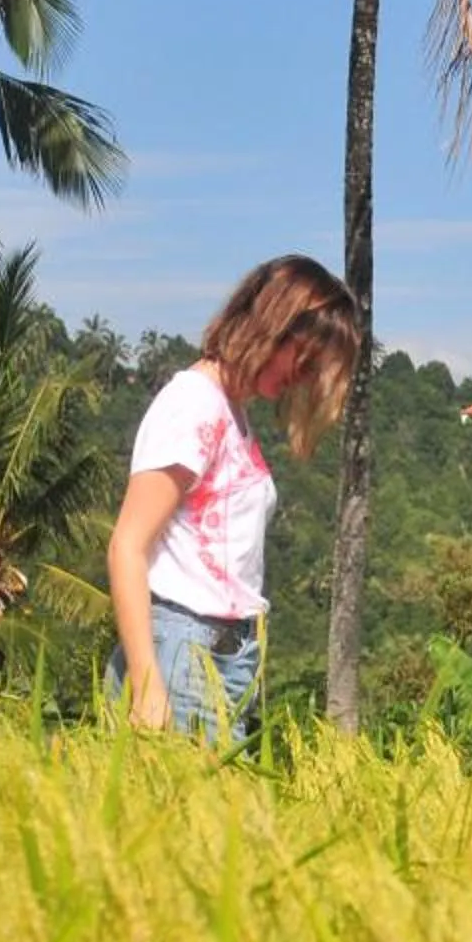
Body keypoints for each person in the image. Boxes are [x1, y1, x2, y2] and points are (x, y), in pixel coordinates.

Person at [106, 256, 359, 742]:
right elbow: (127, 547)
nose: (302, 378)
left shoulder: (230, 410)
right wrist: (147, 683)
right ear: (273, 326)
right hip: (182, 653)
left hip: (223, 654)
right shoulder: (194, 405)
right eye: (303, 360)